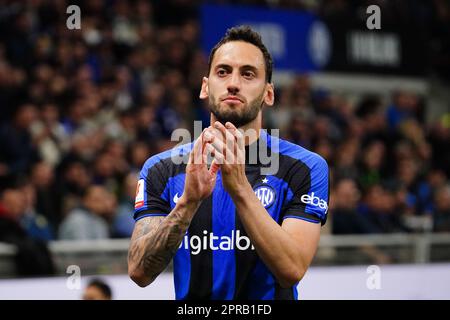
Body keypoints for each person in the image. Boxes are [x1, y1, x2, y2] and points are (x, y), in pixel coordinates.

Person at [127, 26, 329, 300]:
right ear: (205, 86)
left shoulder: (304, 167)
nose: (233, 83)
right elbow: (139, 272)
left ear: (268, 94)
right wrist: (187, 203)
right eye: (223, 72)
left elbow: (292, 269)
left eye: (248, 74)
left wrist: (240, 189)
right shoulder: (161, 169)